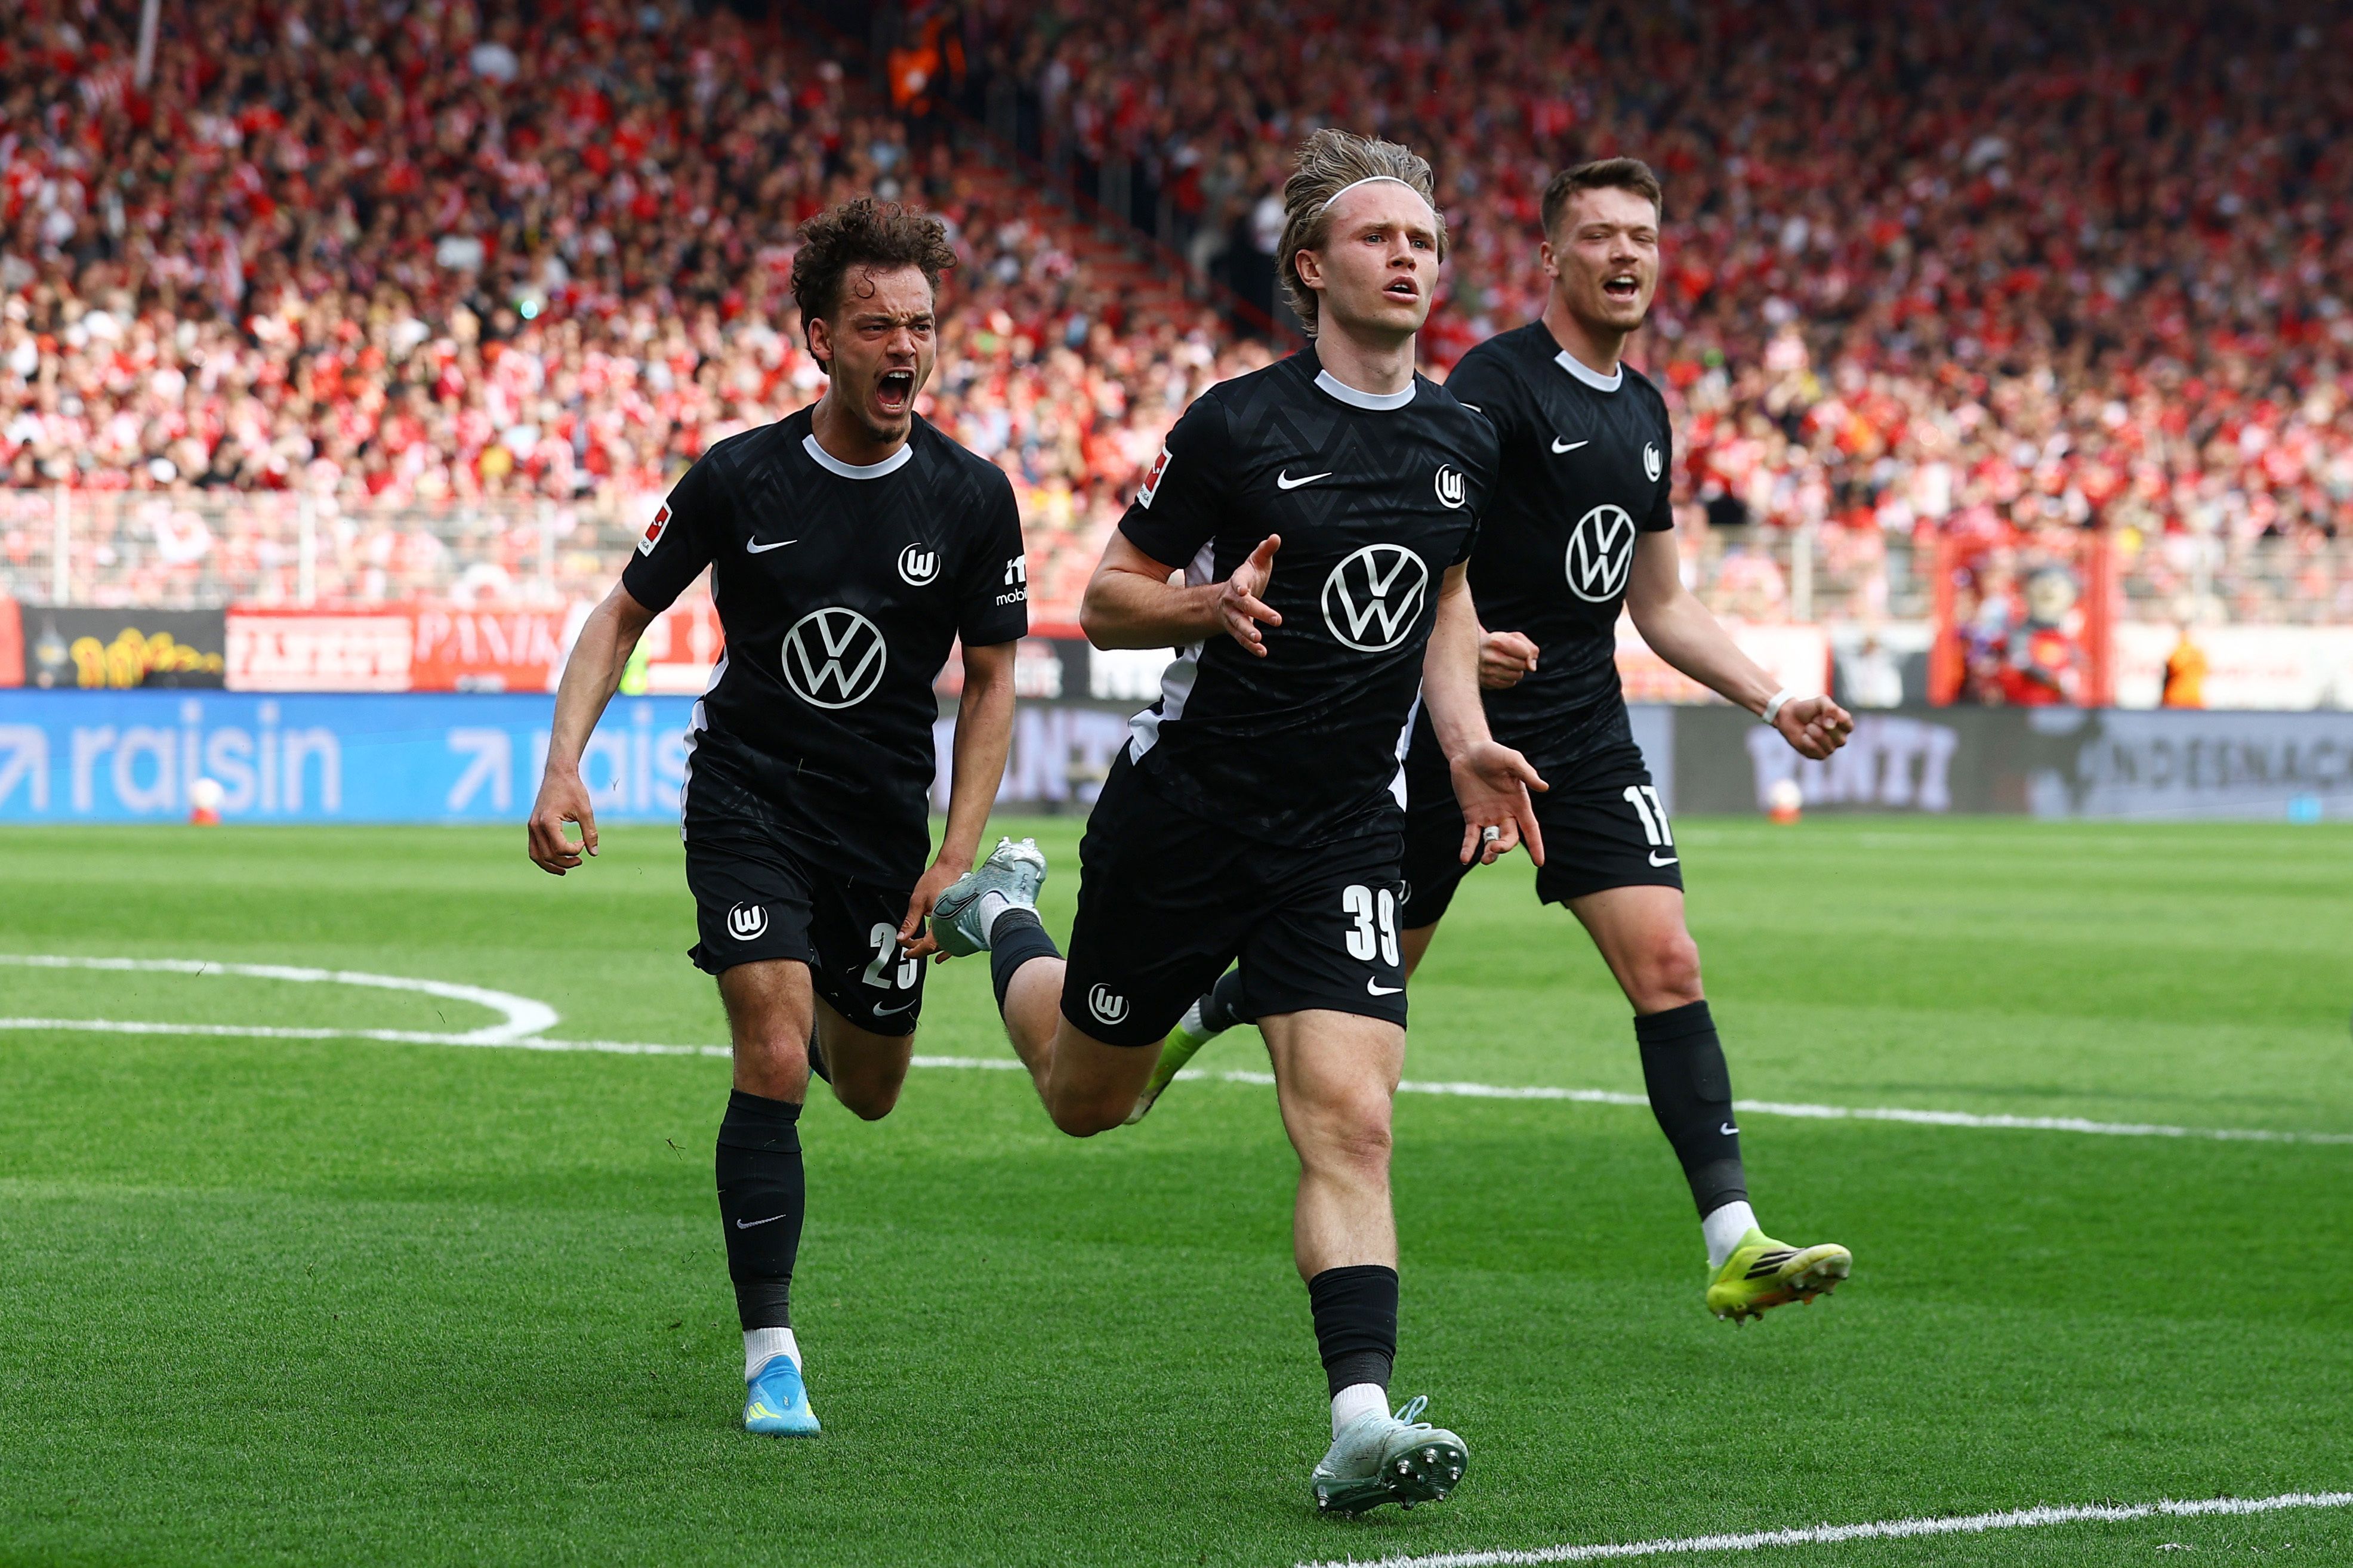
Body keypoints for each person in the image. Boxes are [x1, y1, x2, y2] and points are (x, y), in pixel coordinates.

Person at [925, 129, 1543, 1516]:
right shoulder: (1236, 426)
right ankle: (1002, 911)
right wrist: (1201, 604)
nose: (1411, 259)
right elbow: (1104, 597)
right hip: (1187, 814)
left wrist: (1466, 744)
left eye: (1427, 243)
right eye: (1383, 238)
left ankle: (1359, 1421)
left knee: (1352, 1121)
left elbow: (1441, 598)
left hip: (1341, 830)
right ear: (1312, 268)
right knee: (1092, 1101)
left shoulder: (1462, 434)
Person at [1148, 158, 1859, 1325]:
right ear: (1551, 258)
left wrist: (1771, 700)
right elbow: (1418, 542)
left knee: (1668, 963)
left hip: (1581, 731)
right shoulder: (1494, 386)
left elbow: (1660, 602)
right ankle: (1209, 1009)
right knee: (1365, 986)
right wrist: (1456, 658)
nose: (1624, 255)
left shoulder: (1643, 409)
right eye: (1598, 236)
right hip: (1447, 734)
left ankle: (1735, 1241)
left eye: (1642, 234)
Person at [523, 199, 1026, 1437]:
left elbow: (996, 677)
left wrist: (955, 854)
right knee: (771, 1045)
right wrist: (561, 766)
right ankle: (770, 1353)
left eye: (919, 324)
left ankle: (960, 919)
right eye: (875, 325)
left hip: (881, 827)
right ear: (819, 338)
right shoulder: (739, 475)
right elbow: (618, 616)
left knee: (867, 1088)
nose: (904, 347)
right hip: (747, 793)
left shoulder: (970, 497)